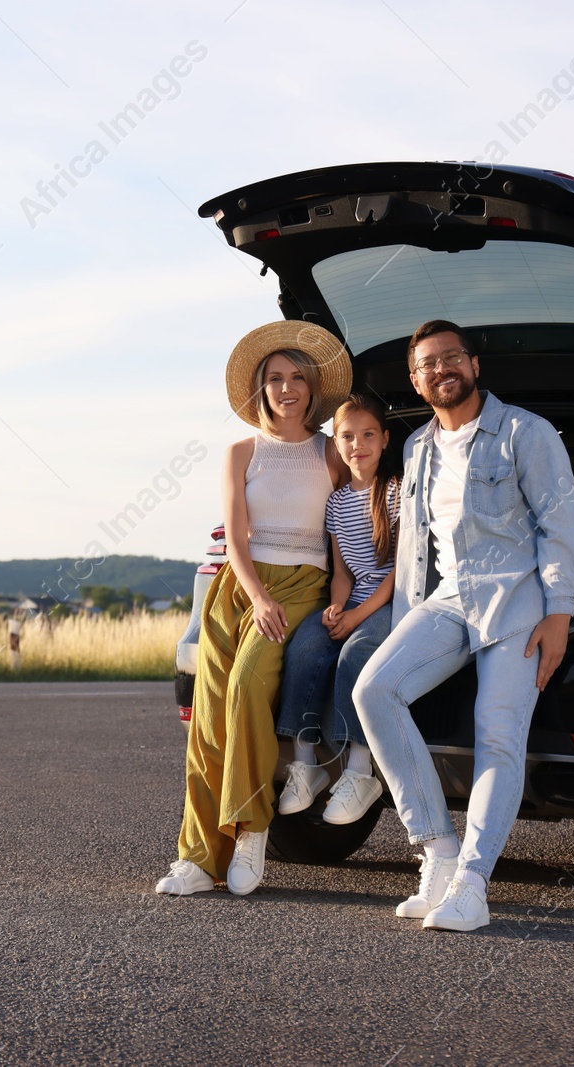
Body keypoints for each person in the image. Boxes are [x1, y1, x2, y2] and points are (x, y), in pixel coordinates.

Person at [354, 319, 574, 931]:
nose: (440, 370)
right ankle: (437, 848)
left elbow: (563, 528)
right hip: (449, 602)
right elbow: (415, 552)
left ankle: (474, 886)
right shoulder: (416, 448)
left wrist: (559, 613)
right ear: (415, 380)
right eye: (427, 365)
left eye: (450, 358)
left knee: (498, 735)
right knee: (373, 690)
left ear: (475, 365)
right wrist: (405, 625)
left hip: (516, 603)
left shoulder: (525, 435)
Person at [155, 321, 349, 897]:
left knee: (245, 687)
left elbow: (342, 535)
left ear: (313, 388)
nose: (286, 388)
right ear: (260, 389)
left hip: (302, 584)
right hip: (238, 589)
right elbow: (236, 538)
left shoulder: (331, 452)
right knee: (209, 720)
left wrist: (338, 601)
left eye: (296, 378)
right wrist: (257, 597)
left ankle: (252, 831)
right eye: (274, 379)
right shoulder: (241, 451)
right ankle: (196, 857)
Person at [275, 393, 400, 825]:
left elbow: (399, 573)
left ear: (384, 439)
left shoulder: (397, 492)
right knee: (307, 647)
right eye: (347, 436)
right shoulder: (337, 502)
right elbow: (342, 568)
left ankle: (360, 770)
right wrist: (335, 607)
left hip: (390, 600)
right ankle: (305, 761)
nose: (358, 444)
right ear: (336, 442)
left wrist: (356, 617)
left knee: (355, 654)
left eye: (368, 435)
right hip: (354, 599)